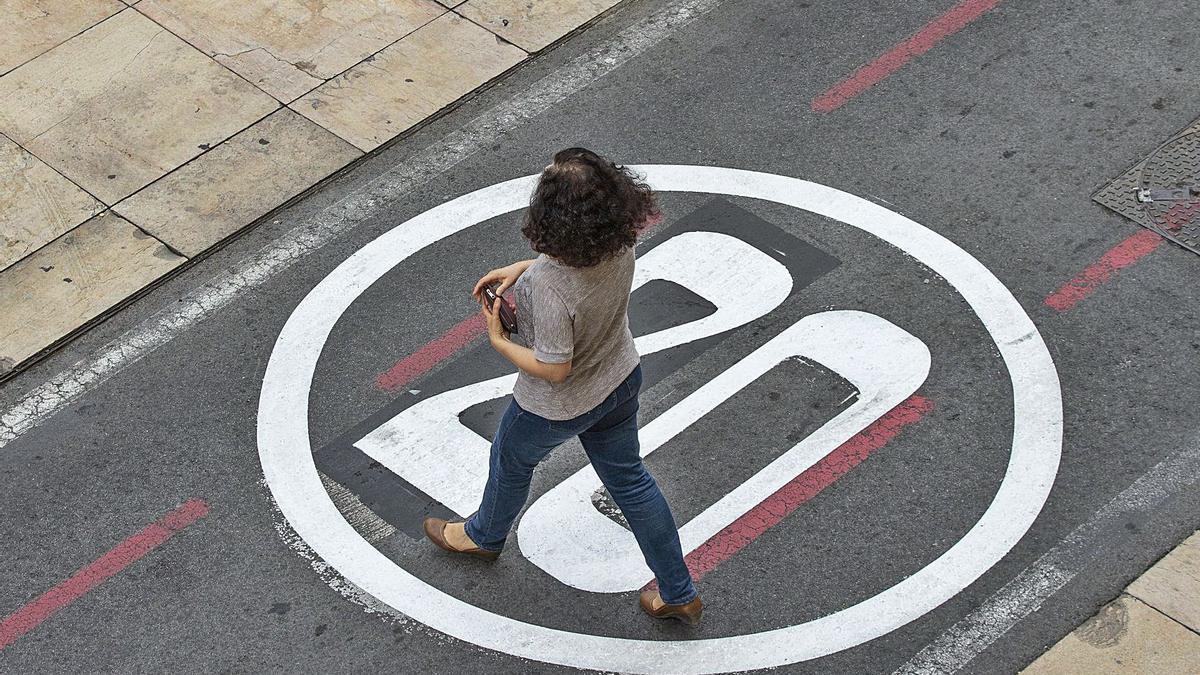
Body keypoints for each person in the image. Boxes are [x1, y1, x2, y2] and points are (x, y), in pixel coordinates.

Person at [422, 147, 702, 624]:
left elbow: (553, 368)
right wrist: (526, 266)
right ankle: (678, 592)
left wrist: (496, 337)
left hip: (557, 404)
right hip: (620, 379)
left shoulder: (549, 286)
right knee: (632, 483)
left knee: (510, 459)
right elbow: (578, 270)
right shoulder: (621, 239)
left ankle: (483, 536)